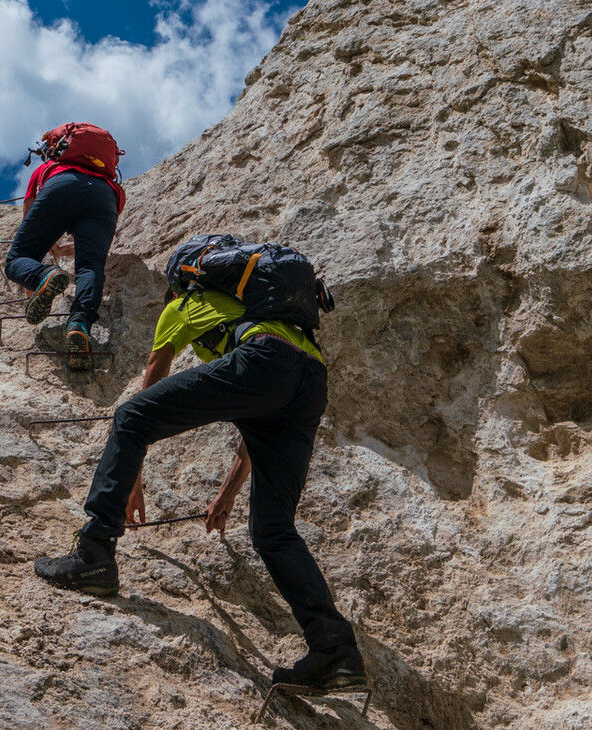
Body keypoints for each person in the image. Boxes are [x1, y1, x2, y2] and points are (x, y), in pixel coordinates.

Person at [33, 266, 367, 692]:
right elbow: (262, 422)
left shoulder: (182, 305)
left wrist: (133, 479)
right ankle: (335, 651)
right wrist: (227, 494)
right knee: (273, 528)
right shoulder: (266, 315)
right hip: (310, 379)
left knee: (130, 416)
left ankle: (94, 554)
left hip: (265, 361)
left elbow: (146, 398)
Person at [4, 123, 125, 370]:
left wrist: (35, 279)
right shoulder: (112, 186)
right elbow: (90, 248)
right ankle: (79, 324)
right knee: (90, 266)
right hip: (105, 198)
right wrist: (60, 250)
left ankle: (44, 275)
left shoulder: (48, 167)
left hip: (61, 185)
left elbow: (30, 216)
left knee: (17, 258)